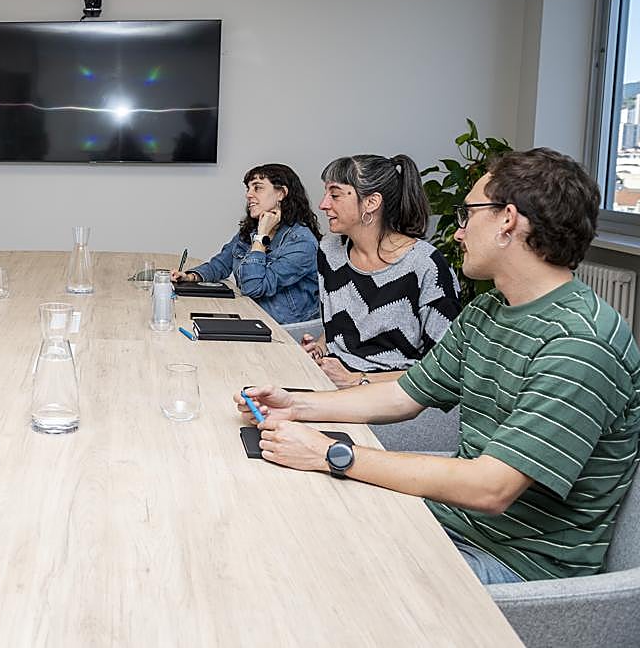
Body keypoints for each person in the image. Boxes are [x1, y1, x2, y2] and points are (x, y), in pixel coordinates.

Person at [238, 148, 640, 585]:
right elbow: (403, 394)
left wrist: (331, 453)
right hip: (454, 524)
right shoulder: (489, 311)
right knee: (285, 523)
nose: (459, 233)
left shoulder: (579, 343)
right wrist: (295, 405)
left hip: (515, 564)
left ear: (508, 220)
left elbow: (490, 487)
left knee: (320, 572)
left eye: (468, 215)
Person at [306, 153, 460, 387]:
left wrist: (357, 379)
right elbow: (343, 326)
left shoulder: (426, 265)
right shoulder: (330, 252)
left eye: (335, 195)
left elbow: (443, 369)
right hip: (330, 383)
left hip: (393, 398)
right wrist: (320, 345)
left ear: (371, 202)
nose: (323, 204)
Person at [172, 163, 321, 325]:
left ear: (281, 193)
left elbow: (253, 287)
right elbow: (220, 265)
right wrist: (190, 276)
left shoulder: (301, 242)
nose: (248, 195)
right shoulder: (250, 231)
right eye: (248, 189)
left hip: (284, 331)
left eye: (257, 188)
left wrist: (261, 237)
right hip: (251, 316)